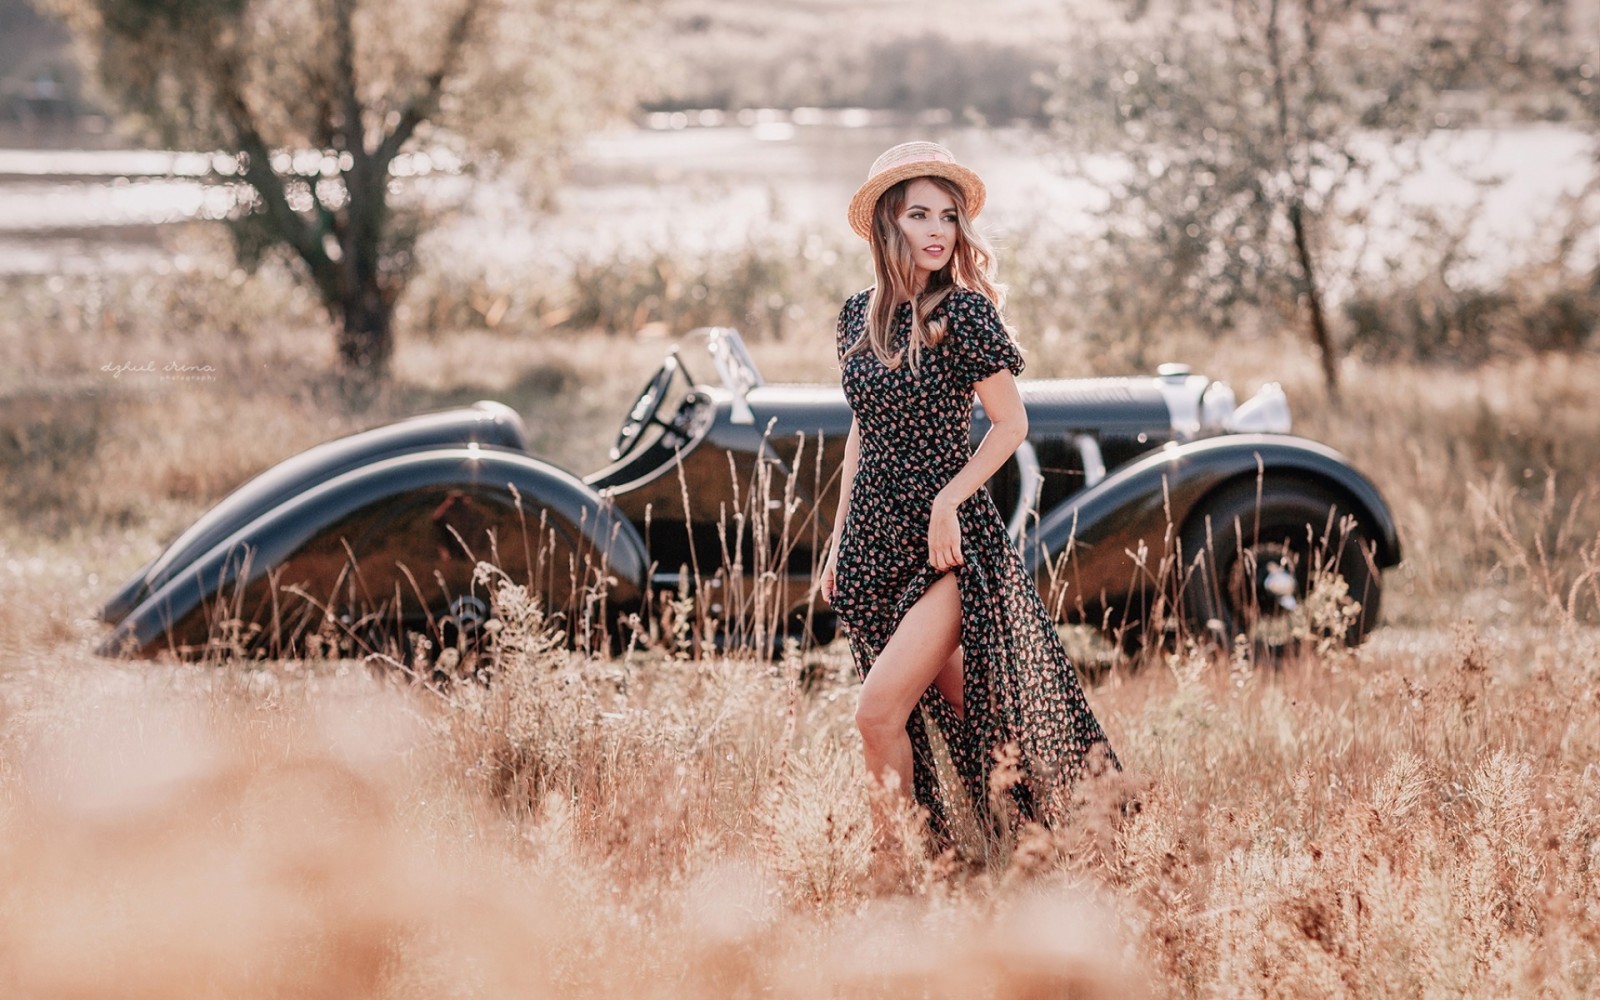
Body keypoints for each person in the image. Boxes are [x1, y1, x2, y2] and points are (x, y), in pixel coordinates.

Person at [821, 141, 1119, 848]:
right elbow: (859, 434)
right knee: (982, 719)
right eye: (919, 213)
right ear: (887, 224)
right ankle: (1055, 844)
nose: (936, 230)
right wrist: (838, 535)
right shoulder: (856, 318)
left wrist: (949, 499)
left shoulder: (964, 315)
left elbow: (1011, 423)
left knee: (876, 713)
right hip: (876, 540)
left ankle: (897, 872)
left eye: (948, 217)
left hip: (949, 547)